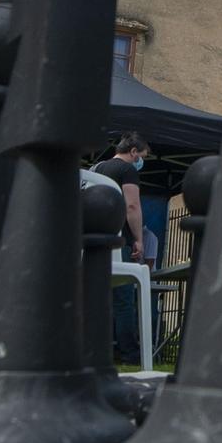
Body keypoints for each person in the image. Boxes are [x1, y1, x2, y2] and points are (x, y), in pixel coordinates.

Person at [90, 132, 150, 364]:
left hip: (94, 239)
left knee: (96, 295)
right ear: (133, 152)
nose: (140, 162)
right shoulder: (128, 171)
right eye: (140, 157)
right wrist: (138, 239)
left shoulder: (97, 168)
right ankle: (129, 353)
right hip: (118, 239)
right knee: (124, 296)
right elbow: (132, 206)